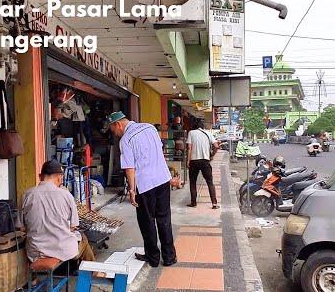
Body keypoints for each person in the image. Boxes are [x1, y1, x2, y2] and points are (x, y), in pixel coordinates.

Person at [108, 111, 177, 267]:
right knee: (164, 218)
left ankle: (153, 258)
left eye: (114, 130)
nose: (116, 134)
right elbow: (159, 149)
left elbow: (130, 168)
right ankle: (169, 257)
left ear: (118, 124)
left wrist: (132, 190)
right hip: (163, 179)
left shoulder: (126, 140)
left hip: (145, 185)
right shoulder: (150, 127)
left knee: (147, 221)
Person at [19, 159, 96, 267]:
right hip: (62, 250)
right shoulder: (66, 195)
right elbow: (73, 226)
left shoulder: (27, 195)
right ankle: (94, 271)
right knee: (82, 238)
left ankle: (33, 279)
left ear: (40, 176)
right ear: (60, 178)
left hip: (36, 252)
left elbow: (21, 227)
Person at [186, 119, 220, 209]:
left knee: (193, 182)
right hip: (205, 161)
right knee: (210, 182)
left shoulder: (191, 133)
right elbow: (216, 146)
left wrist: (188, 161)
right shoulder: (208, 133)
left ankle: (193, 202)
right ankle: (214, 203)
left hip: (194, 161)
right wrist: (212, 155)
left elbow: (189, 148)